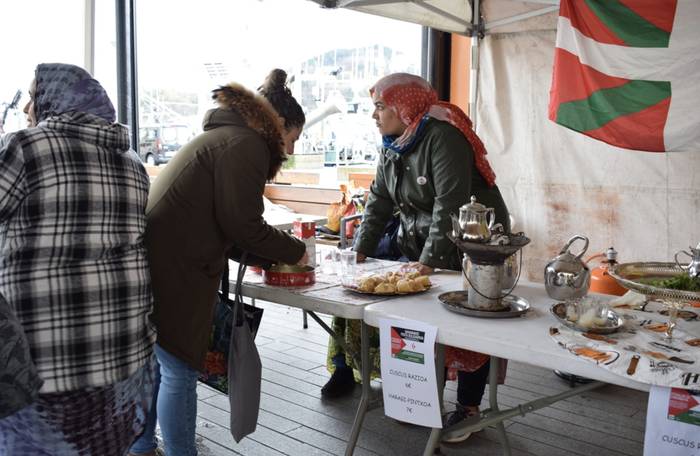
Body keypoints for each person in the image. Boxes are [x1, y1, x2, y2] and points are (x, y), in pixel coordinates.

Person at [322, 73, 510, 443]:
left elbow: (450, 205)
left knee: (469, 326)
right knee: (420, 324)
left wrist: (428, 261)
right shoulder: (392, 143)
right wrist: (360, 246)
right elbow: (378, 199)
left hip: (473, 243)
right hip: (423, 243)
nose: (374, 116)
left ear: (404, 107)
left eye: (380, 107)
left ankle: (470, 410)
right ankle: (422, 399)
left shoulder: (443, 138)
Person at [129, 69, 307, 456]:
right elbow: (242, 223)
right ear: (279, 127)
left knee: (159, 365)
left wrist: (264, 253)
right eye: (293, 138)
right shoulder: (247, 146)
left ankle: (141, 448)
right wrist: (297, 252)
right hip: (179, 268)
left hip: (162, 261)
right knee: (179, 368)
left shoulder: (224, 137)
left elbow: (224, 220)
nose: (291, 151)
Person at [0, 63, 156, 455]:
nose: (26, 109)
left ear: (53, 101)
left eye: (33, 97)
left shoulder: (26, 148)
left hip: (45, 366)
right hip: (125, 361)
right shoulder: (134, 164)